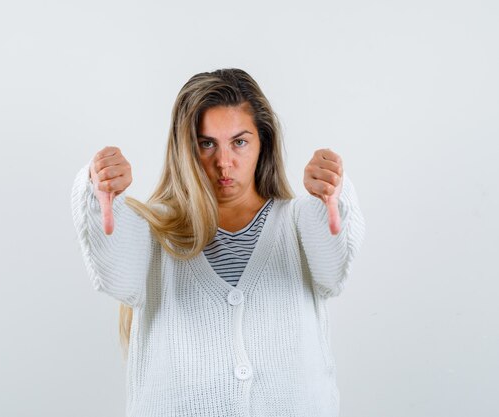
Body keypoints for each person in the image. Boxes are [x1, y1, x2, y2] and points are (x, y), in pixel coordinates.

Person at [70, 68, 365, 417]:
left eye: (239, 142)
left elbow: (334, 270)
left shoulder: (299, 222)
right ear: (185, 149)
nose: (224, 162)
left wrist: (334, 196)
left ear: (263, 143)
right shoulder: (154, 231)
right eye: (206, 143)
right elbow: (112, 267)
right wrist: (97, 189)